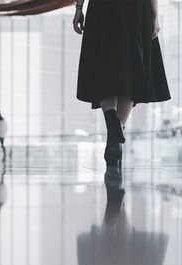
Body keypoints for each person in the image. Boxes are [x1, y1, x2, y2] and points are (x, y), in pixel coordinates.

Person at [73, 0, 171, 167]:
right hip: (135, 8)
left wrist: (79, 8)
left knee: (103, 67)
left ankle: (113, 124)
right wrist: (155, 16)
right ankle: (115, 138)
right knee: (132, 71)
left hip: (102, 8)